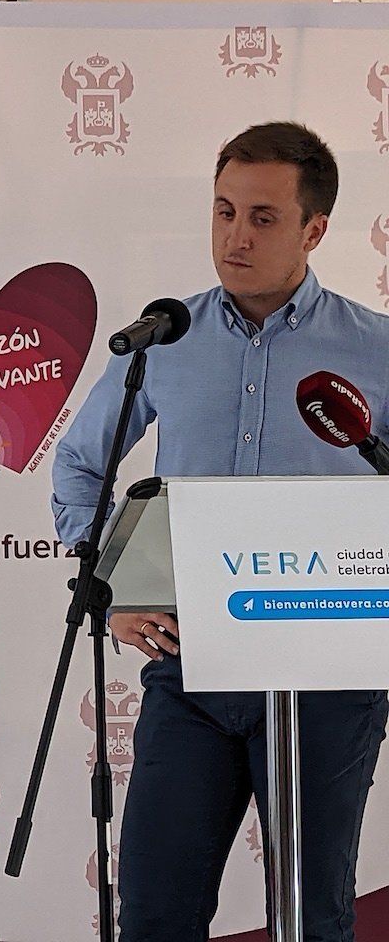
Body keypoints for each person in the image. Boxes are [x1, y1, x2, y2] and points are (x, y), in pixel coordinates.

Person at [51, 122, 389, 942]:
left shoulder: (377, 350)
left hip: (328, 678)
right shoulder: (166, 341)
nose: (236, 236)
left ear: (314, 230)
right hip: (191, 666)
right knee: (157, 914)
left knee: (314, 916)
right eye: (224, 210)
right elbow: (79, 468)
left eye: (264, 217)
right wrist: (115, 595)